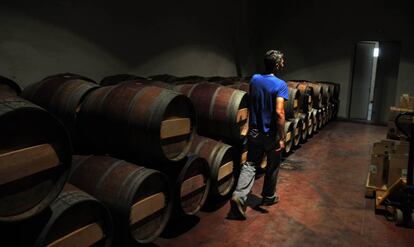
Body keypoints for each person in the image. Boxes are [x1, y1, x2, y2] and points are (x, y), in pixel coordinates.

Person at [230, 50, 288, 220]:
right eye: (282, 61)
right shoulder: (280, 84)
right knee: (273, 164)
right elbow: (279, 113)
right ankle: (269, 197)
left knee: (250, 164)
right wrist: (282, 137)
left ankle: (239, 196)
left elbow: (252, 103)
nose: (283, 64)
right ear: (277, 64)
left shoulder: (254, 79)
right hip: (270, 134)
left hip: (254, 132)